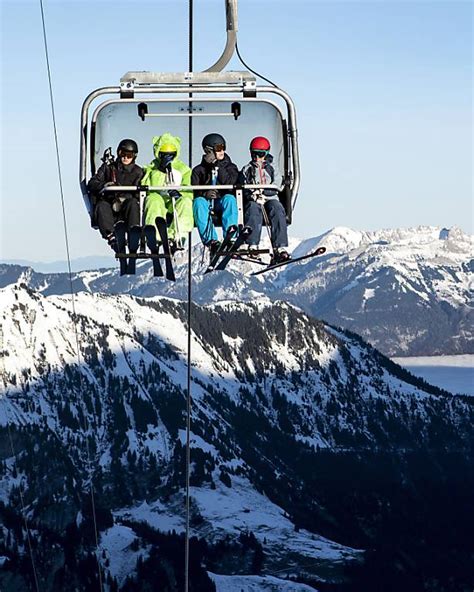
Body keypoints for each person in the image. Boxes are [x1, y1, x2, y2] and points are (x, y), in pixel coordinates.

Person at [239, 136, 290, 265]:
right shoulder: (247, 169)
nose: (257, 158)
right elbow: (243, 185)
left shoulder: (272, 168)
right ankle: (252, 245)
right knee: (252, 209)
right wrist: (252, 194)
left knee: (277, 209)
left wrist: (266, 192)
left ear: (266, 154)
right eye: (254, 154)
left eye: (261, 154)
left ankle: (279, 247)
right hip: (255, 199)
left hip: (270, 198)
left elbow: (278, 184)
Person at [87, 139, 143, 249]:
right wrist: (105, 185)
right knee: (102, 205)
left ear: (134, 156)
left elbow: (139, 191)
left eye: (129, 155)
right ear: (118, 153)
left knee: (133, 203)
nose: (125, 158)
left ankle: (134, 233)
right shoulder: (108, 168)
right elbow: (92, 183)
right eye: (123, 154)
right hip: (111, 207)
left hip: (126, 207)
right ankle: (111, 236)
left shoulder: (138, 172)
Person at [142, 133, 193, 252]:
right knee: (153, 199)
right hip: (159, 202)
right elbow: (146, 185)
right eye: (164, 155)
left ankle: (177, 236)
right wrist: (160, 171)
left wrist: (181, 194)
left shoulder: (183, 169)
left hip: (174, 203)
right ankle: (155, 236)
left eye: (170, 155)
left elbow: (189, 189)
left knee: (185, 202)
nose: (167, 157)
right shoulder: (152, 168)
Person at [191, 133, 239, 254]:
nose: (222, 151)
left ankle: (231, 236)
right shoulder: (199, 170)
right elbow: (194, 190)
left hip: (221, 201)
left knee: (230, 199)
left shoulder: (231, 167)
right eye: (218, 148)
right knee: (198, 202)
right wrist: (204, 193)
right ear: (209, 150)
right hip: (207, 202)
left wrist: (217, 165)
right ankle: (211, 241)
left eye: (223, 147)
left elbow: (230, 182)